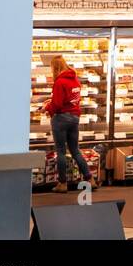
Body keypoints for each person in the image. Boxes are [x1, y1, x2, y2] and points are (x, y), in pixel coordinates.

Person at [44, 55, 93, 193]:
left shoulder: (60, 82)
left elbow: (58, 104)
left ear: (56, 67)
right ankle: (90, 179)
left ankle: (62, 183)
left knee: (60, 151)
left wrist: (47, 108)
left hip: (61, 119)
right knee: (75, 150)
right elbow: (70, 99)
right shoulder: (75, 80)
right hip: (74, 118)